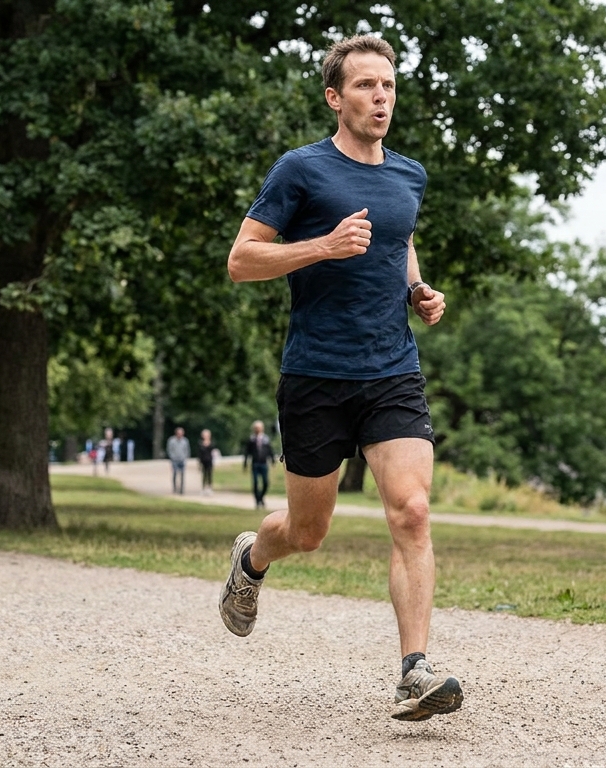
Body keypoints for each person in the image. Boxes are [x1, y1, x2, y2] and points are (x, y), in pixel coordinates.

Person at [220, 35, 458, 721]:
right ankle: (252, 558)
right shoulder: (301, 170)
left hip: (391, 368)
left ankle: (415, 672)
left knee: (411, 513)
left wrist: (417, 289)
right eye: (364, 87)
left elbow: (398, 238)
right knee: (308, 531)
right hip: (317, 374)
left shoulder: (408, 175)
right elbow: (242, 259)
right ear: (335, 96)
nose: (380, 98)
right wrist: (322, 247)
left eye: (387, 86)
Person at [241, 420, 275, 509]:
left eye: (259, 428)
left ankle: (261, 497)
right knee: (255, 482)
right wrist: (245, 463)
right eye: (256, 428)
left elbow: (270, 450)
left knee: (265, 482)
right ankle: (257, 500)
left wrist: (272, 460)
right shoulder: (251, 440)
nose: (258, 430)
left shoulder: (266, 439)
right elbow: (247, 452)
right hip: (255, 463)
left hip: (263, 463)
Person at [166, 427, 190, 494]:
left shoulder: (185, 441)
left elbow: (187, 450)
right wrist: (172, 457)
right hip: (174, 460)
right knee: (175, 473)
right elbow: (169, 450)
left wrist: (185, 457)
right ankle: (175, 488)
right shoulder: (172, 440)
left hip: (182, 459)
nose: (180, 434)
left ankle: (182, 489)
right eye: (179, 433)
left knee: (182, 474)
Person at [198, 428, 216, 496]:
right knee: (204, 475)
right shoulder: (200, 443)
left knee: (209, 474)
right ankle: (203, 488)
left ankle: (210, 488)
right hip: (203, 461)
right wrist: (199, 462)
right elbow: (199, 454)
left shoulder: (212, 443)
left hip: (209, 460)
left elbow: (214, 452)